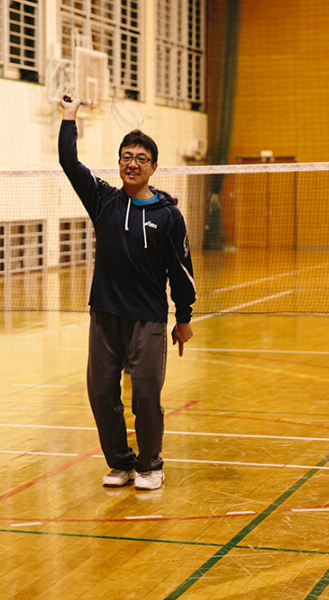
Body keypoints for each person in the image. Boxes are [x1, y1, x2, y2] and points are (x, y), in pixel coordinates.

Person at [58, 94, 197, 491]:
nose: (131, 163)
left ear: (153, 166)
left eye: (140, 157)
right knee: (101, 393)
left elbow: (181, 270)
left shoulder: (168, 215)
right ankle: (120, 462)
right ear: (119, 163)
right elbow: (70, 163)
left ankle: (150, 464)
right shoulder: (103, 200)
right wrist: (70, 116)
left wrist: (183, 318)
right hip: (104, 315)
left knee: (146, 395)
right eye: (125, 156)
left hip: (148, 318)